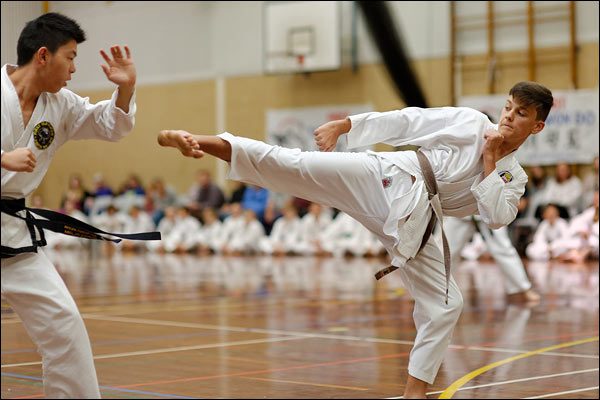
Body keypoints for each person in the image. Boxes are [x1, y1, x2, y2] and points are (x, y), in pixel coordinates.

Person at [158, 81, 553, 398]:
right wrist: (345, 125)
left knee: (447, 305)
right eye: (507, 107)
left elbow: (497, 218)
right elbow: (407, 122)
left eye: (521, 114)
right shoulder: (470, 122)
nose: (508, 117)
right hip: (392, 177)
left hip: (418, 219)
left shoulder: (511, 175)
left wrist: (488, 161)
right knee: (296, 165)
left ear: (536, 127)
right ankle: (196, 140)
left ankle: (414, 393)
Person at [1, 12, 138, 398]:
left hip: (13, 235)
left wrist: (125, 89)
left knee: (64, 323)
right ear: (43, 56)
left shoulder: (60, 104)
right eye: (71, 57)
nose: (75, 68)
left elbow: (109, 124)